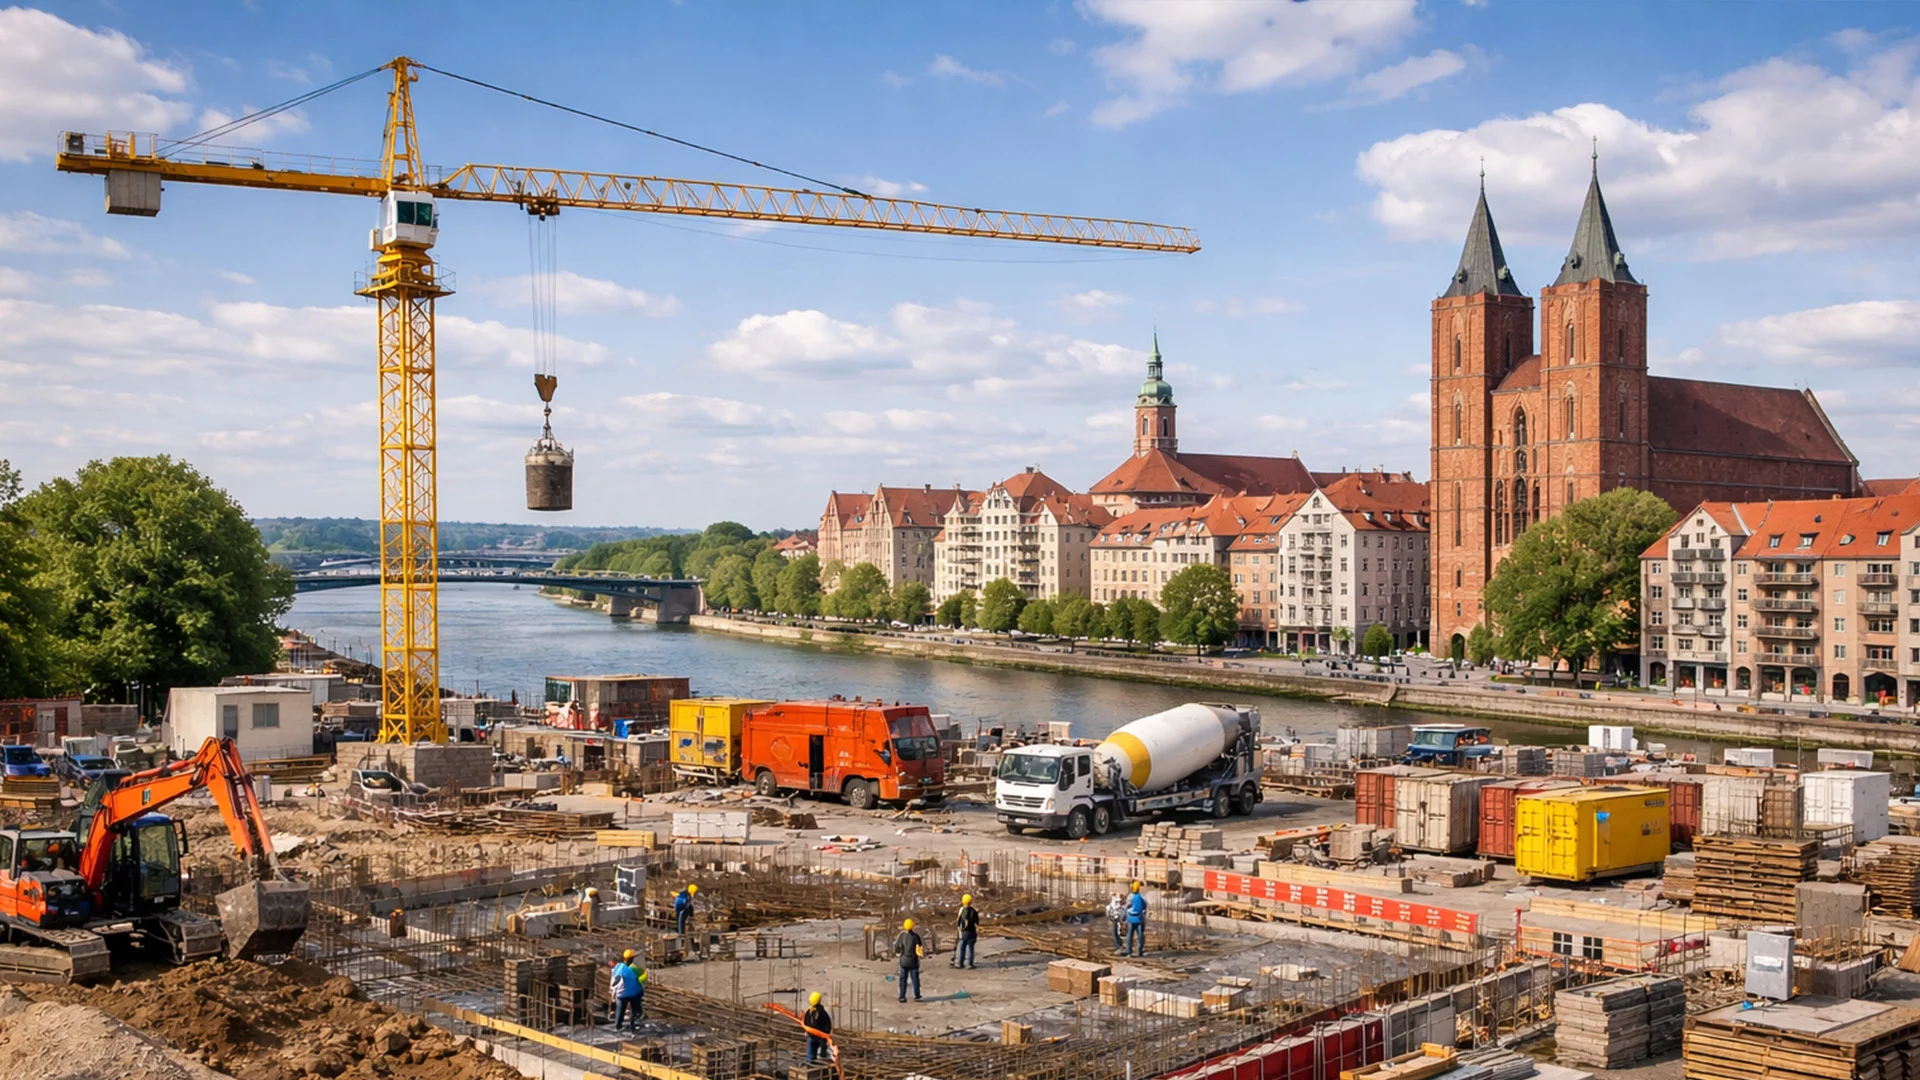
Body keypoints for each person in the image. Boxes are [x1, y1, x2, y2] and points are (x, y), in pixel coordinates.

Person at [609, 949, 647, 1030]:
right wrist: (641, 981)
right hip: (633, 993)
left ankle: (618, 1026)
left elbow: (614, 980)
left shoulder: (618, 967)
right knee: (636, 1009)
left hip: (620, 994)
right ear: (631, 959)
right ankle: (634, 1024)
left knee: (620, 1010)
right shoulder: (634, 968)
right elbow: (644, 975)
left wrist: (613, 993)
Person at [893, 918, 924, 1003]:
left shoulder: (902, 936)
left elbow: (897, 947)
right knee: (915, 979)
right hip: (913, 962)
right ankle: (917, 996)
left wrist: (898, 954)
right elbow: (920, 949)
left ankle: (902, 997)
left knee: (903, 979)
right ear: (913, 926)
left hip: (903, 961)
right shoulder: (916, 937)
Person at [803, 991, 833, 1064]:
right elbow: (827, 1023)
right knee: (822, 1054)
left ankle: (810, 1063)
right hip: (821, 1037)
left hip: (812, 1035)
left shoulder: (809, 1011)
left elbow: (805, 1022)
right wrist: (827, 1034)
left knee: (811, 1052)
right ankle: (820, 1064)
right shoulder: (821, 1012)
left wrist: (807, 1031)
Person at [952, 894, 980, 969]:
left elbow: (960, 921)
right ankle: (969, 964)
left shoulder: (963, 910)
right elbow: (977, 922)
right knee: (970, 948)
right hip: (972, 931)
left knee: (961, 947)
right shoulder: (973, 910)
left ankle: (959, 963)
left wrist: (960, 928)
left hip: (964, 932)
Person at [1125, 881, 1148, 957]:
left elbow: (1127, 907)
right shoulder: (1140, 897)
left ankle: (1129, 951)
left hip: (1132, 919)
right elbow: (1145, 906)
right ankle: (1139, 951)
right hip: (1139, 919)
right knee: (1140, 936)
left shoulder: (1130, 897)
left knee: (1130, 935)